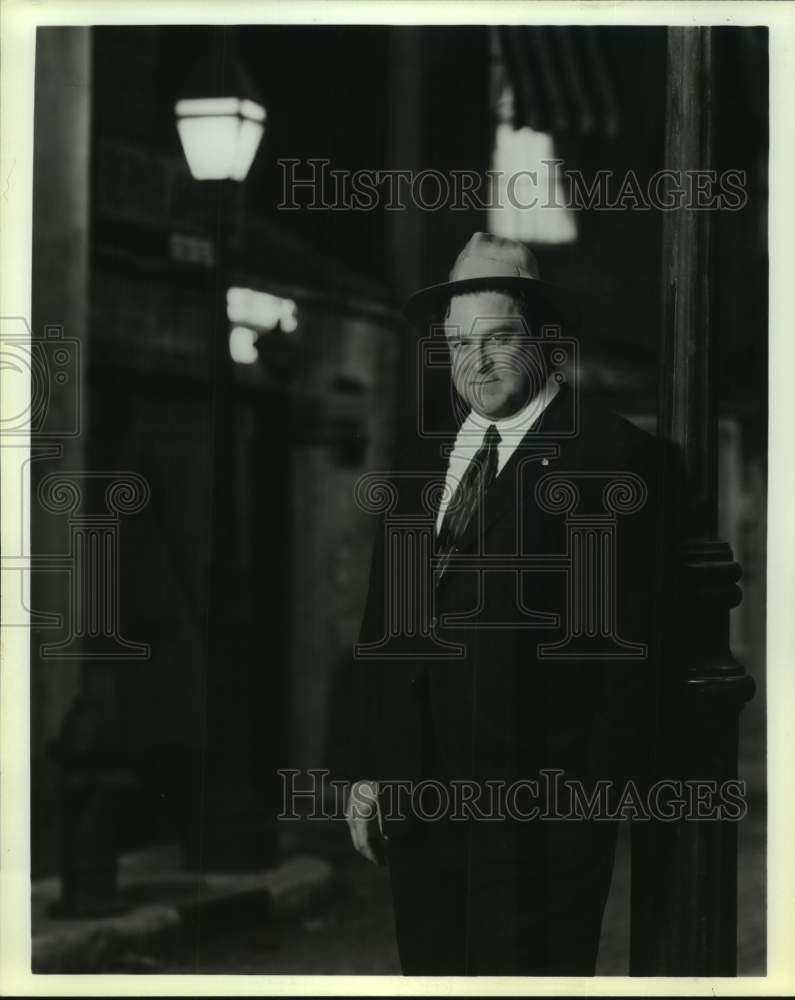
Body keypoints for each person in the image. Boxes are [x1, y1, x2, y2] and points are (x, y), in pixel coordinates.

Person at [346, 232, 660, 975]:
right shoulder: (425, 456)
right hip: (420, 812)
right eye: (457, 343)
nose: (475, 362)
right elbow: (386, 624)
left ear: (542, 338)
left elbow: (631, 657)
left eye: (497, 339)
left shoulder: (607, 457)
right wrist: (367, 768)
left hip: (537, 825)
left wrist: (578, 810)